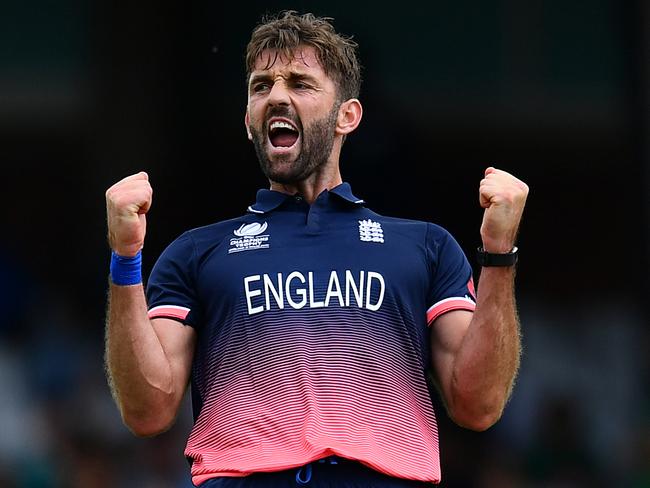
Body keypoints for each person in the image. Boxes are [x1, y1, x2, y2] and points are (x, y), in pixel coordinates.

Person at [104, 11, 529, 488]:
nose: (277, 95)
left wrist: (498, 253)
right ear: (248, 120)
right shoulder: (195, 252)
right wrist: (126, 258)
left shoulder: (426, 246)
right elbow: (148, 411)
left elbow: (479, 404)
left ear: (347, 115)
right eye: (261, 86)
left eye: (301, 84)